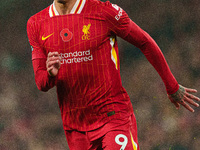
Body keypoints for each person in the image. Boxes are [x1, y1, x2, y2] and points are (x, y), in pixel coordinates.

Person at [27, 0, 200, 149]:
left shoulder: (104, 12)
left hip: (113, 117)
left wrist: (172, 86)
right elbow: (41, 83)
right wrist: (50, 74)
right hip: (76, 128)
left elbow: (144, 42)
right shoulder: (36, 23)